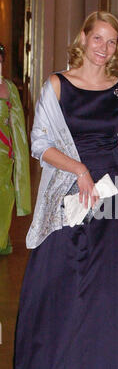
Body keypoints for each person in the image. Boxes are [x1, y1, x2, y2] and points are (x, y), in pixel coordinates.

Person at [14, 11, 118, 369]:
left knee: (108, 292)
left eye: (112, 42)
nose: (104, 48)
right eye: (98, 39)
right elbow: (40, 142)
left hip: (113, 197)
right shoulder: (57, 85)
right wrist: (78, 169)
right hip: (70, 192)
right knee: (60, 282)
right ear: (84, 38)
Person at [0, 43, 31, 254]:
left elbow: (18, 127)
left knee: (4, 196)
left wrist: (19, 157)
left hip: (3, 155)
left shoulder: (9, 88)